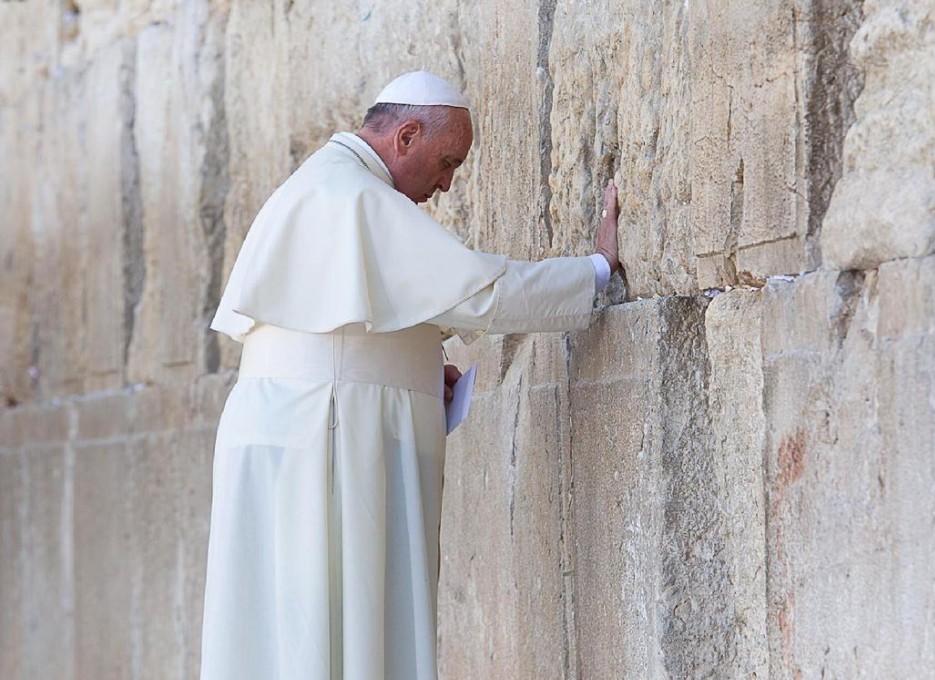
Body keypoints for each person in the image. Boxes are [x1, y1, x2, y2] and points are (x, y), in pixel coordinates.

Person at [200, 71, 620, 680]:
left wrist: (414, 364)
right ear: (407, 135)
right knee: (338, 641)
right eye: (447, 162)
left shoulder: (324, 185)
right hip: (326, 445)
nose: (446, 184)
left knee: (284, 641)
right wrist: (595, 270)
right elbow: (481, 295)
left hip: (301, 434)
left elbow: (342, 336)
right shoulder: (357, 197)